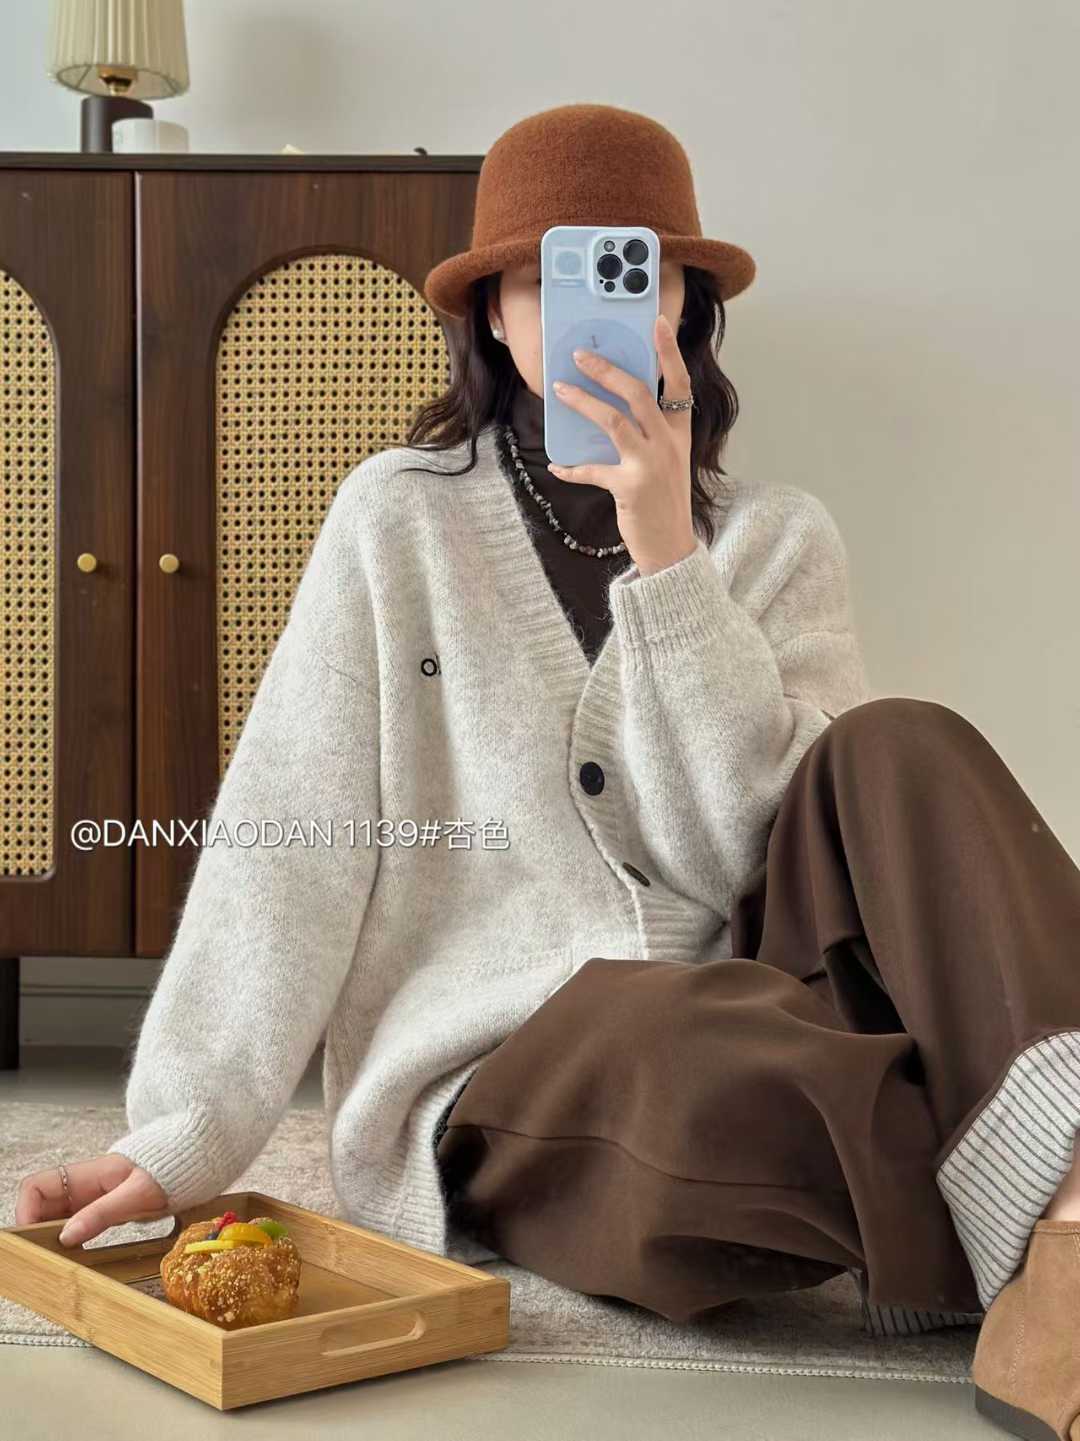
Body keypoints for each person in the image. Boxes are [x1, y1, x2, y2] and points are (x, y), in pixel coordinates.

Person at [14, 103, 1080, 1439]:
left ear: (686, 307)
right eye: (551, 276)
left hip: (768, 988)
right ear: (496, 316)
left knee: (902, 738)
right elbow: (293, 835)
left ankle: (1070, 1219)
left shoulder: (780, 539)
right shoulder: (397, 521)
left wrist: (671, 557)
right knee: (709, 1071)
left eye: (638, 272)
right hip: (525, 1068)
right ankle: (995, 1156)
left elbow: (765, 852)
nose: (594, 311)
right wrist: (180, 1133)